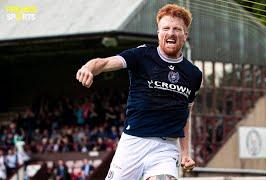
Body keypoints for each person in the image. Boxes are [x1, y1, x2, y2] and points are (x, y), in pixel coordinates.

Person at [76, 4, 202, 180]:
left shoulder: (194, 74)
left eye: (177, 29)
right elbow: (104, 63)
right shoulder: (142, 55)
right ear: (158, 33)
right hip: (133, 143)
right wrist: (88, 67)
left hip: (166, 149)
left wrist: (185, 152)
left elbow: (186, 114)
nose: (171, 33)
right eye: (166, 28)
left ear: (185, 35)